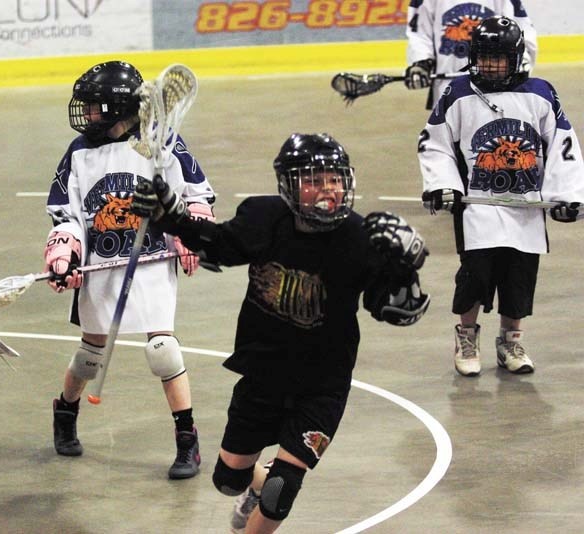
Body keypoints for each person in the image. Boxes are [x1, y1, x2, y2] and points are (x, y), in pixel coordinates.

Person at [131, 133, 430, 533]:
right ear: (290, 186)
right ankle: (254, 485)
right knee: (227, 480)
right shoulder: (264, 219)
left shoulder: (361, 239)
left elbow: (393, 309)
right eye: (314, 180)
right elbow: (218, 246)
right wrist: (171, 217)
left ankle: (267, 491)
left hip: (323, 382)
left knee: (281, 491)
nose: (328, 190)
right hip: (264, 371)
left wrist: (404, 270)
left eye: (335, 179)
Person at [43, 60, 215, 479]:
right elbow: (65, 212)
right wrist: (64, 250)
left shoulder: (163, 142)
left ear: (119, 108)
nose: (88, 116)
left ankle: (187, 438)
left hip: (152, 259)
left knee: (163, 349)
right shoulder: (80, 152)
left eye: (95, 107)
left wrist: (191, 229)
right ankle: (65, 409)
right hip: (102, 262)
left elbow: (197, 193)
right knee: (91, 355)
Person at [418, 16, 584, 377]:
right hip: (478, 206)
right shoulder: (459, 93)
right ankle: (466, 337)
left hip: (525, 208)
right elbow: (435, 144)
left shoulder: (540, 93)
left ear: (517, 57)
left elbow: (563, 145)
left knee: (519, 278)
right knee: (475, 276)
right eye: (485, 57)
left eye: (499, 58)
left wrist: (567, 194)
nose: (491, 66)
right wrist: (443, 185)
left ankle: (510, 340)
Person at [405, 0, 537, 109]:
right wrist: (422, 62)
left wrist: (522, 61)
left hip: (496, 87)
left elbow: (520, 30)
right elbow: (420, 34)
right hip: (447, 89)